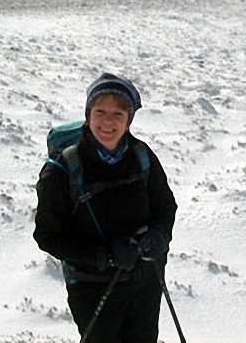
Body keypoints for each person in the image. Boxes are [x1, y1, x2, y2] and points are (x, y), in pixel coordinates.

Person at [34, 73, 177, 343]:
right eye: (100, 111)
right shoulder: (64, 168)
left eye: (118, 114)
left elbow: (165, 205)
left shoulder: (141, 155)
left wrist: (160, 235)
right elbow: (47, 236)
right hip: (93, 288)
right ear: (89, 114)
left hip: (144, 281)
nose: (108, 121)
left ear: (128, 120)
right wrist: (105, 256)